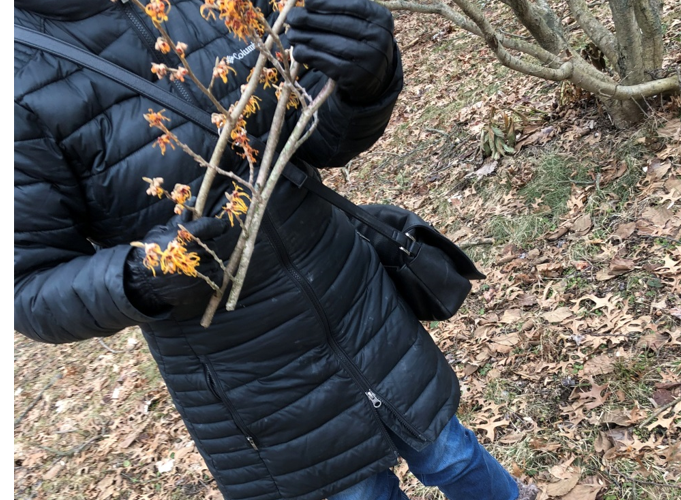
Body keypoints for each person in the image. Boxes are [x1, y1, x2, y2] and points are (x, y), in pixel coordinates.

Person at [14, 1, 537, 499]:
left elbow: (318, 130)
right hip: (253, 376)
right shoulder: (23, 75)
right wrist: (140, 276)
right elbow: (29, 286)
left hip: (353, 298)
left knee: (452, 453)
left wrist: (364, 81)